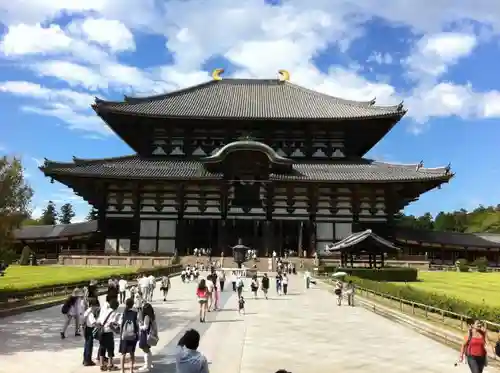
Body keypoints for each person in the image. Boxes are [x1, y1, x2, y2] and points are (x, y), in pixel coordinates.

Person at [97, 298, 120, 371]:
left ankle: (101, 365)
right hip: (108, 332)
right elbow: (111, 324)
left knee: (102, 348)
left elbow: (99, 321)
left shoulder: (105, 311)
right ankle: (110, 365)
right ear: (116, 307)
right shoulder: (114, 313)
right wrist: (116, 331)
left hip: (102, 332)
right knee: (110, 348)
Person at [119, 298, 139, 373]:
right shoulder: (135, 313)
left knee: (123, 354)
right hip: (132, 335)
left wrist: (121, 334)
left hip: (124, 336)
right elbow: (137, 324)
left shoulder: (124, 313)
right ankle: (131, 370)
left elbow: (121, 325)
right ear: (132, 304)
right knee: (132, 353)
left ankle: (122, 370)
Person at [138, 303, 158, 372]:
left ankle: (147, 365)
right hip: (148, 334)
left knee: (145, 349)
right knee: (147, 350)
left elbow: (145, 327)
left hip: (145, 334)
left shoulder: (146, 316)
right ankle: (148, 364)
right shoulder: (152, 316)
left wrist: (140, 326)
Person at [82, 297, 100, 366]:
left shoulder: (88, 311)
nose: (96, 308)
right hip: (89, 330)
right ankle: (88, 361)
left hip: (87, 329)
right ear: (92, 305)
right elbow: (93, 323)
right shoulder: (90, 313)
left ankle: (85, 360)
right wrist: (99, 326)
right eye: (96, 306)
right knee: (89, 345)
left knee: (87, 345)